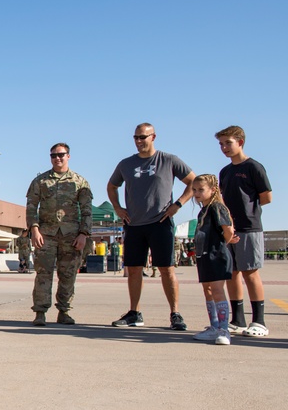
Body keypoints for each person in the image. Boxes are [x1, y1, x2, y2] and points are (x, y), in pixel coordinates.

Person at [108, 123, 195, 330]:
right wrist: (118, 208)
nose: (139, 141)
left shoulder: (168, 160)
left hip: (161, 223)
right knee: (134, 269)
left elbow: (193, 181)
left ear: (153, 137)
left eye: (143, 137)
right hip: (134, 224)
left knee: (166, 269)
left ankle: (175, 314)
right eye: (136, 138)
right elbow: (112, 186)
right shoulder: (126, 164)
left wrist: (178, 204)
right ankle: (134, 313)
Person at [26, 143, 93, 326]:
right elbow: (32, 207)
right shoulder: (40, 181)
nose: (57, 158)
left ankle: (64, 311)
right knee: (43, 274)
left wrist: (83, 234)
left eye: (61, 155)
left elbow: (87, 211)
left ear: (68, 156)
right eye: (54, 155)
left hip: (71, 236)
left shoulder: (79, 182)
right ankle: (40, 312)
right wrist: (34, 229)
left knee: (68, 274)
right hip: (46, 234)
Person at [216, 125, 273, 337]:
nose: (224, 147)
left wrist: (248, 211)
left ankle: (259, 321)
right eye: (221, 144)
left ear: (240, 142)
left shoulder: (253, 167)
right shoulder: (225, 171)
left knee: (250, 272)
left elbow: (266, 196)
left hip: (249, 227)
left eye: (228, 143)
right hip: (230, 229)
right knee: (232, 273)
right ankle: (237, 319)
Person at [190, 174, 240, 345]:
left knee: (217, 290)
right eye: (194, 190)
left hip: (217, 255)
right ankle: (214, 326)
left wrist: (224, 243)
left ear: (212, 190)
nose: (196, 193)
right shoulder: (202, 210)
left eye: (201, 190)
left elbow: (228, 230)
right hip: (204, 256)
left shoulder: (217, 207)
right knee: (208, 290)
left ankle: (224, 329)